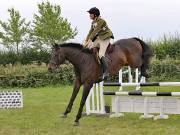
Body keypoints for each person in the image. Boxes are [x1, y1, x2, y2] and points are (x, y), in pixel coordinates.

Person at [83, 7, 113, 78]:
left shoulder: (101, 21)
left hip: (105, 37)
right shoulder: (93, 22)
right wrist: (86, 41)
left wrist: (88, 42)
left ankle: (106, 72)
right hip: (99, 37)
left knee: (100, 54)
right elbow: (90, 32)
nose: (89, 15)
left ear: (95, 15)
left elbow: (95, 31)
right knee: (90, 48)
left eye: (91, 14)